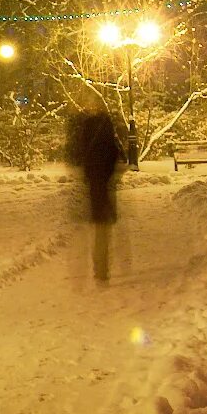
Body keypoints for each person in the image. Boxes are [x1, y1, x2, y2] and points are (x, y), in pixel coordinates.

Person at [66, 105, 126, 282]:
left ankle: (97, 268)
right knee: (103, 230)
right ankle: (102, 268)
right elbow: (118, 160)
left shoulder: (87, 138)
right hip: (106, 188)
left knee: (98, 228)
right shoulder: (108, 139)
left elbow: (77, 158)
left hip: (94, 187)